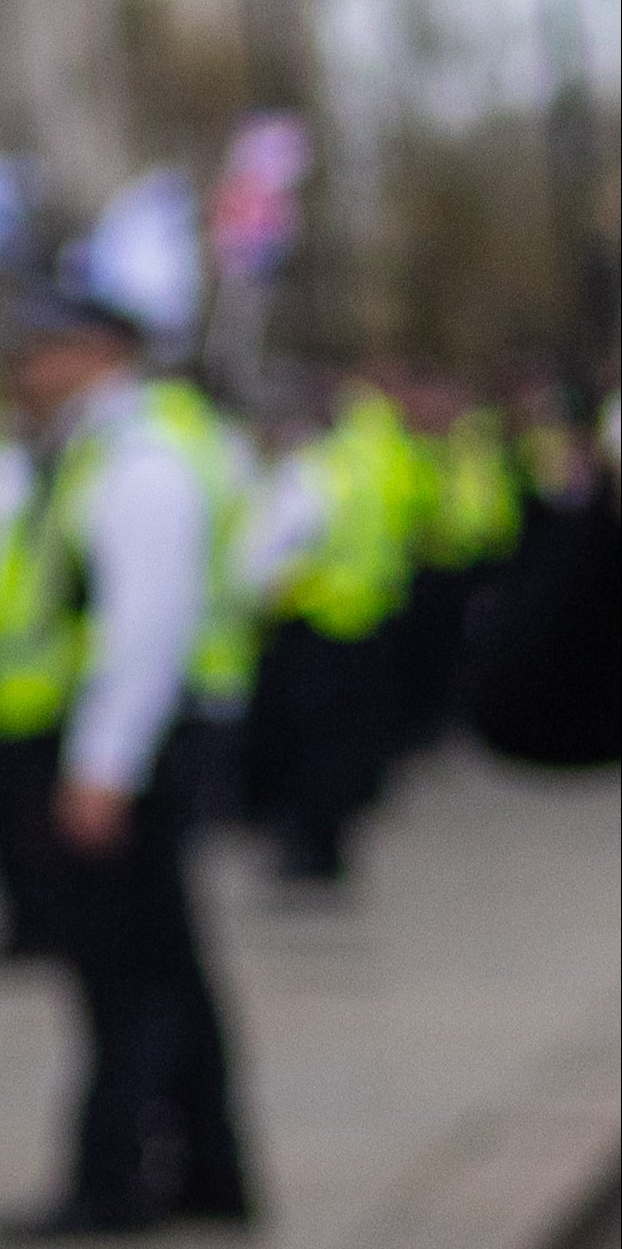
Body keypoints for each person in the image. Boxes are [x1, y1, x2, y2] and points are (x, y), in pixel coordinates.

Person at [0, 282, 254, 1248]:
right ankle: (209, 1171)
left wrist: (101, 764)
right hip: (117, 737)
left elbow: (146, 625)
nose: (23, 370)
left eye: (41, 350)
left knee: (120, 974)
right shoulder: (88, 450)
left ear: (97, 351)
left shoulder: (138, 457)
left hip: (128, 742)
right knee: (163, 961)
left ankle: (114, 1183)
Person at [236, 367, 421, 890]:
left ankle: (311, 848)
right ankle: (330, 842)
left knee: (309, 748)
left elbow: (264, 562)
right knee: (346, 745)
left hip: (314, 624)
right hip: (369, 619)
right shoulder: (373, 462)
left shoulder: (312, 472)